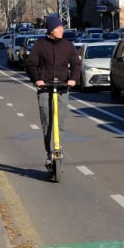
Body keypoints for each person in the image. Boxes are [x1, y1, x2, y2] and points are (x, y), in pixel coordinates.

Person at [24, 14, 81, 168]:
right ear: (51, 30)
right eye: (58, 27)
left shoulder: (68, 45)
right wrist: (37, 80)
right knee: (47, 123)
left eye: (62, 27)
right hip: (45, 89)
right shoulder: (40, 45)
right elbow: (30, 64)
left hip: (62, 88)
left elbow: (76, 64)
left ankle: (58, 149)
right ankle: (50, 153)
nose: (62, 30)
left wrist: (73, 79)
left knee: (59, 122)